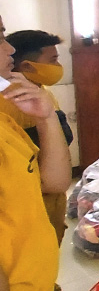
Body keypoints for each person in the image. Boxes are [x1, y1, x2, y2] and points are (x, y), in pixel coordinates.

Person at [0, 15, 78, 291]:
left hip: (36, 290)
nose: (9, 49)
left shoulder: (7, 112)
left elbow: (55, 179)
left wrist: (47, 118)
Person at [5, 30, 74, 243]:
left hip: (52, 197)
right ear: (27, 66)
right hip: (34, 201)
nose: (8, 50)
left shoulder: (38, 92)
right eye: (53, 60)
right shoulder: (11, 102)